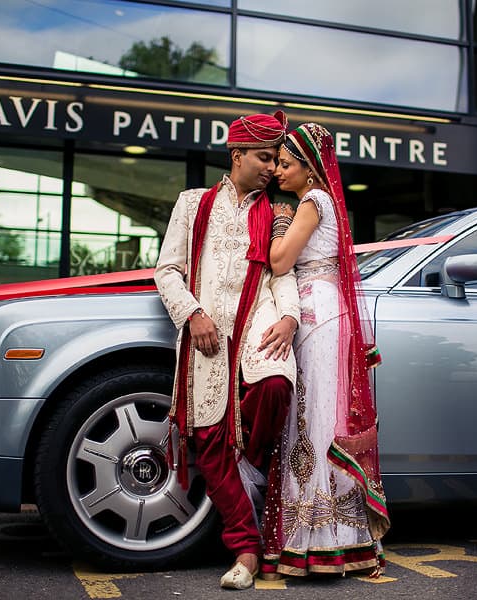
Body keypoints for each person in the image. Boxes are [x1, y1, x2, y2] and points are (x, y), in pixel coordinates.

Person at [154, 110, 300, 590]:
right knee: (211, 442)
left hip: (259, 317)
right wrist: (192, 315)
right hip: (209, 331)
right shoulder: (192, 203)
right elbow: (167, 270)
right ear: (236, 156)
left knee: (276, 384)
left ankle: (250, 468)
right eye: (263, 157)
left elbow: (282, 273)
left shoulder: (277, 212)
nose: (270, 168)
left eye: (276, 159)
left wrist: (289, 317)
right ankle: (246, 550)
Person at [259, 122, 390, 578]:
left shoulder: (312, 203)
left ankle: (322, 540)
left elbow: (279, 260)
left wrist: (278, 221)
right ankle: (324, 538)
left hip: (318, 314)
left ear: (310, 169)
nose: (277, 170)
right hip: (320, 311)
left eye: (286, 163)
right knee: (312, 418)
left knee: (314, 420)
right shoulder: (317, 202)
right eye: (276, 162)